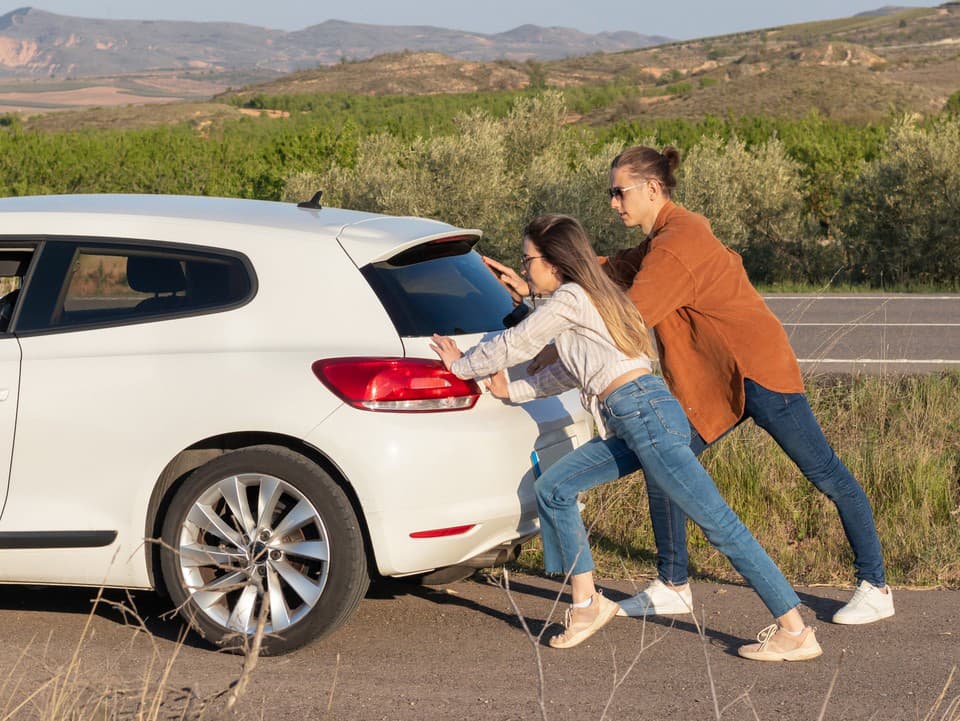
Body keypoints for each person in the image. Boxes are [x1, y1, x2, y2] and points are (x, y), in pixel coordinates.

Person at [484, 146, 893, 626]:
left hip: (757, 371)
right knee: (664, 468)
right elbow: (612, 268)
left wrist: (549, 305)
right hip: (712, 380)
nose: (614, 204)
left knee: (822, 470)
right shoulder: (662, 238)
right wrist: (551, 275)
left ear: (652, 189)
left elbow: (625, 322)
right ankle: (673, 585)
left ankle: (875, 584)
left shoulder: (678, 244)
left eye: (620, 193)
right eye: (610, 193)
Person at [431, 213, 822, 661]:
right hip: (645, 414)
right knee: (555, 488)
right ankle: (586, 604)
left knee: (720, 525)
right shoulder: (597, 299)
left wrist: (462, 364)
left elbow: (516, 344)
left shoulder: (570, 298)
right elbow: (571, 370)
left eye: (528, 259)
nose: (523, 270)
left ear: (555, 262)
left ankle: (794, 630)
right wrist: (511, 389)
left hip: (643, 417)